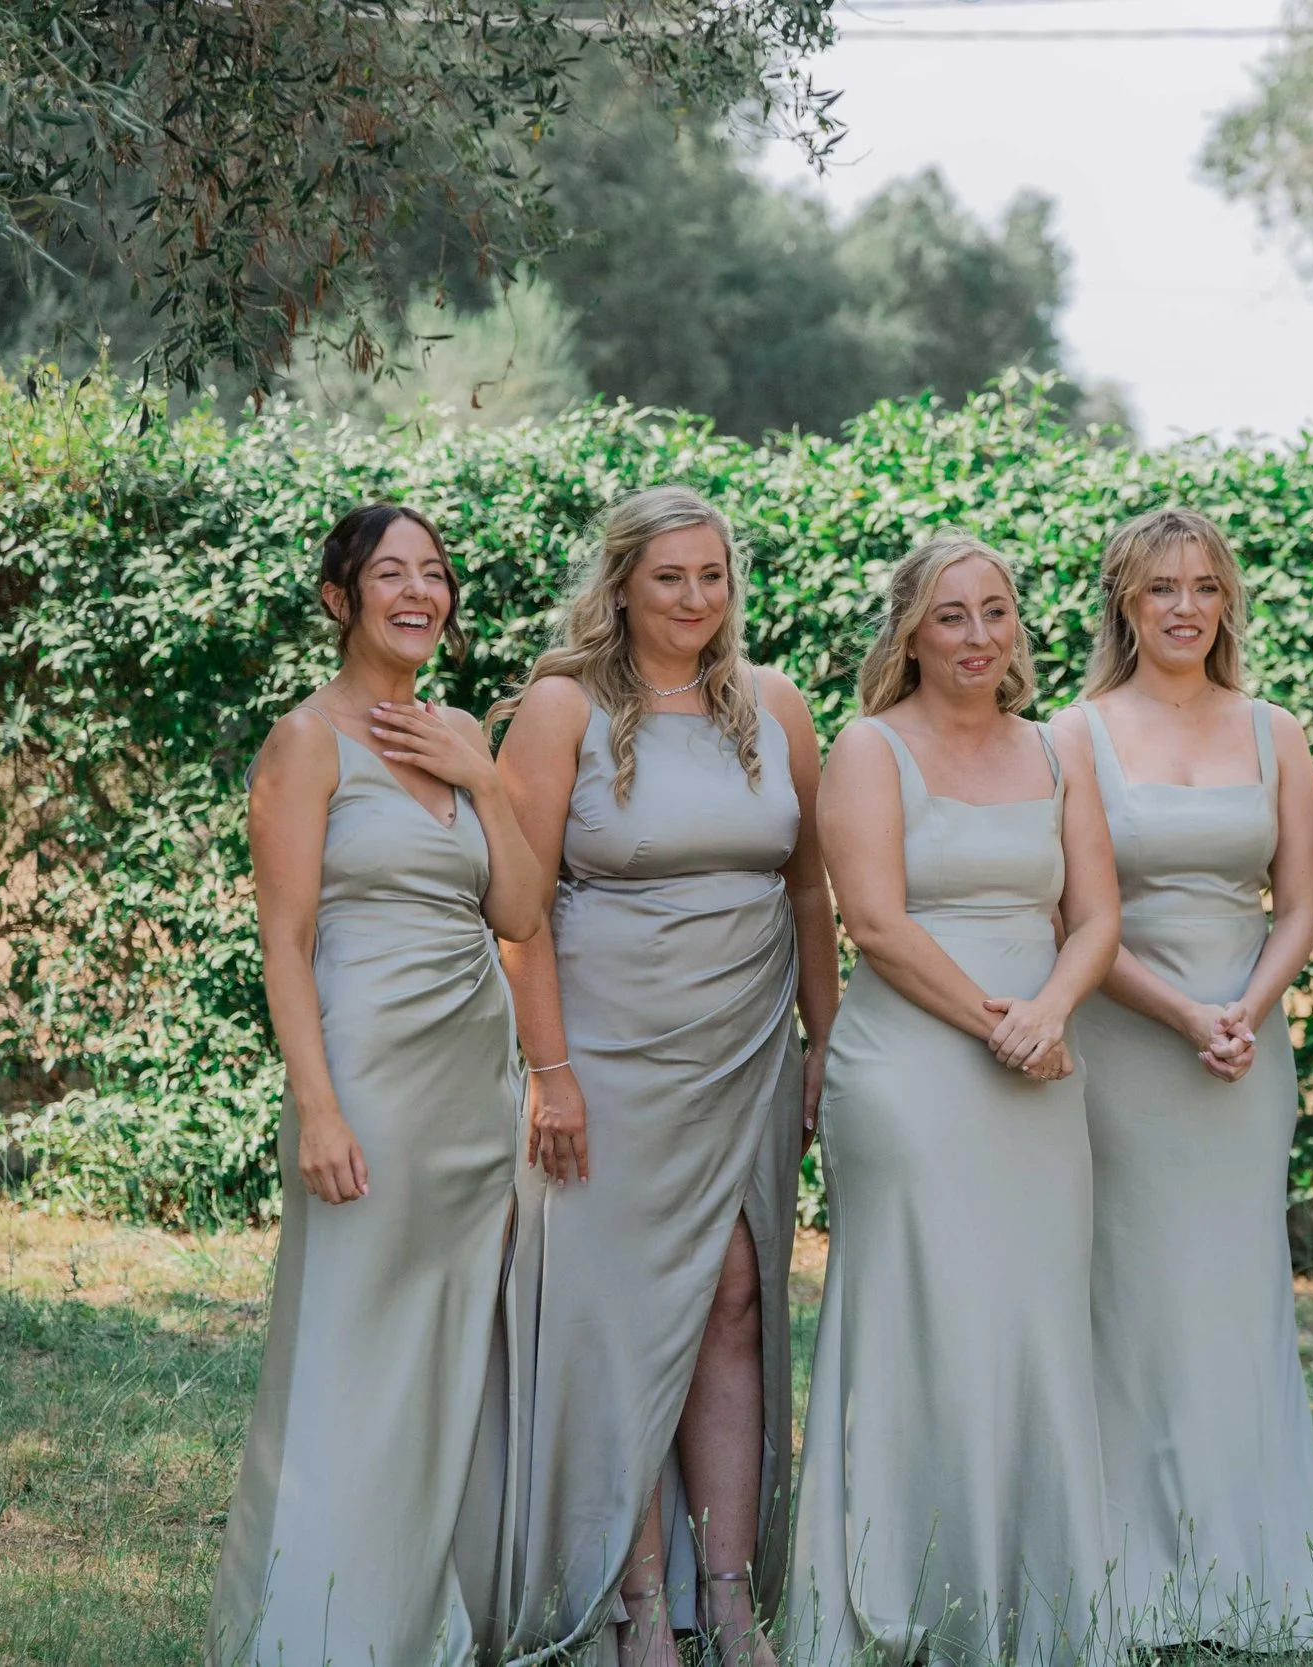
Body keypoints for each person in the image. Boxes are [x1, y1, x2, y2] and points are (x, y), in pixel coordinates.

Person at [491, 487, 838, 1667]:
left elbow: (809, 890)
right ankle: (637, 1602)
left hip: (745, 1049)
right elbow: (517, 908)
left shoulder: (775, 707)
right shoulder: (561, 708)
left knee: (734, 1298)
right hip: (606, 1049)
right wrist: (551, 1073)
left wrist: (824, 1039)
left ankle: (730, 1597)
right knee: (618, 1315)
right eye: (671, 577)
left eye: (714, 576)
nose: (696, 599)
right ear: (622, 583)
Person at [209, 505, 545, 1667]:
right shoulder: (307, 742)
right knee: (349, 1342)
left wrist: (484, 782)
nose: (419, 591)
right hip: (368, 1071)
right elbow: (285, 939)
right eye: (389, 573)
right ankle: (314, 1631)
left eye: (435, 573)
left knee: (444, 1350)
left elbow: (517, 911)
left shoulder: (456, 727)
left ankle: (413, 1620)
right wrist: (319, 1106)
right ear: (339, 597)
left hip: (470, 1082)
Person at [785, 533, 1125, 1667]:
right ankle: (898, 1590)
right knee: (922, 1314)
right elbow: (874, 924)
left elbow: (1096, 917)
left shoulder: (1052, 749)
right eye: (951, 617)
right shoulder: (870, 750)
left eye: (995, 612)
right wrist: (1001, 1021)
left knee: (1029, 1316)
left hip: (1040, 1070)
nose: (978, 636)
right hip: (916, 1069)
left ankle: (1034, 1598)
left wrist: (1054, 1010)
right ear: (910, 633)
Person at [1052, 509, 1313, 1650]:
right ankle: (1133, 1566)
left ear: (1227, 603)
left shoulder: (1274, 730)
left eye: (1204, 587)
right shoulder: (1074, 735)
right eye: (1159, 588)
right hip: (1129, 1037)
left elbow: (1300, 905)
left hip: (1243, 1044)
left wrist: (1244, 1011)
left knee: (1233, 1287)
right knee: (1130, 1289)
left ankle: (1251, 1560)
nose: (1183, 606)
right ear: (1123, 604)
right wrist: (1181, 1011)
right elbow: (1072, 911)